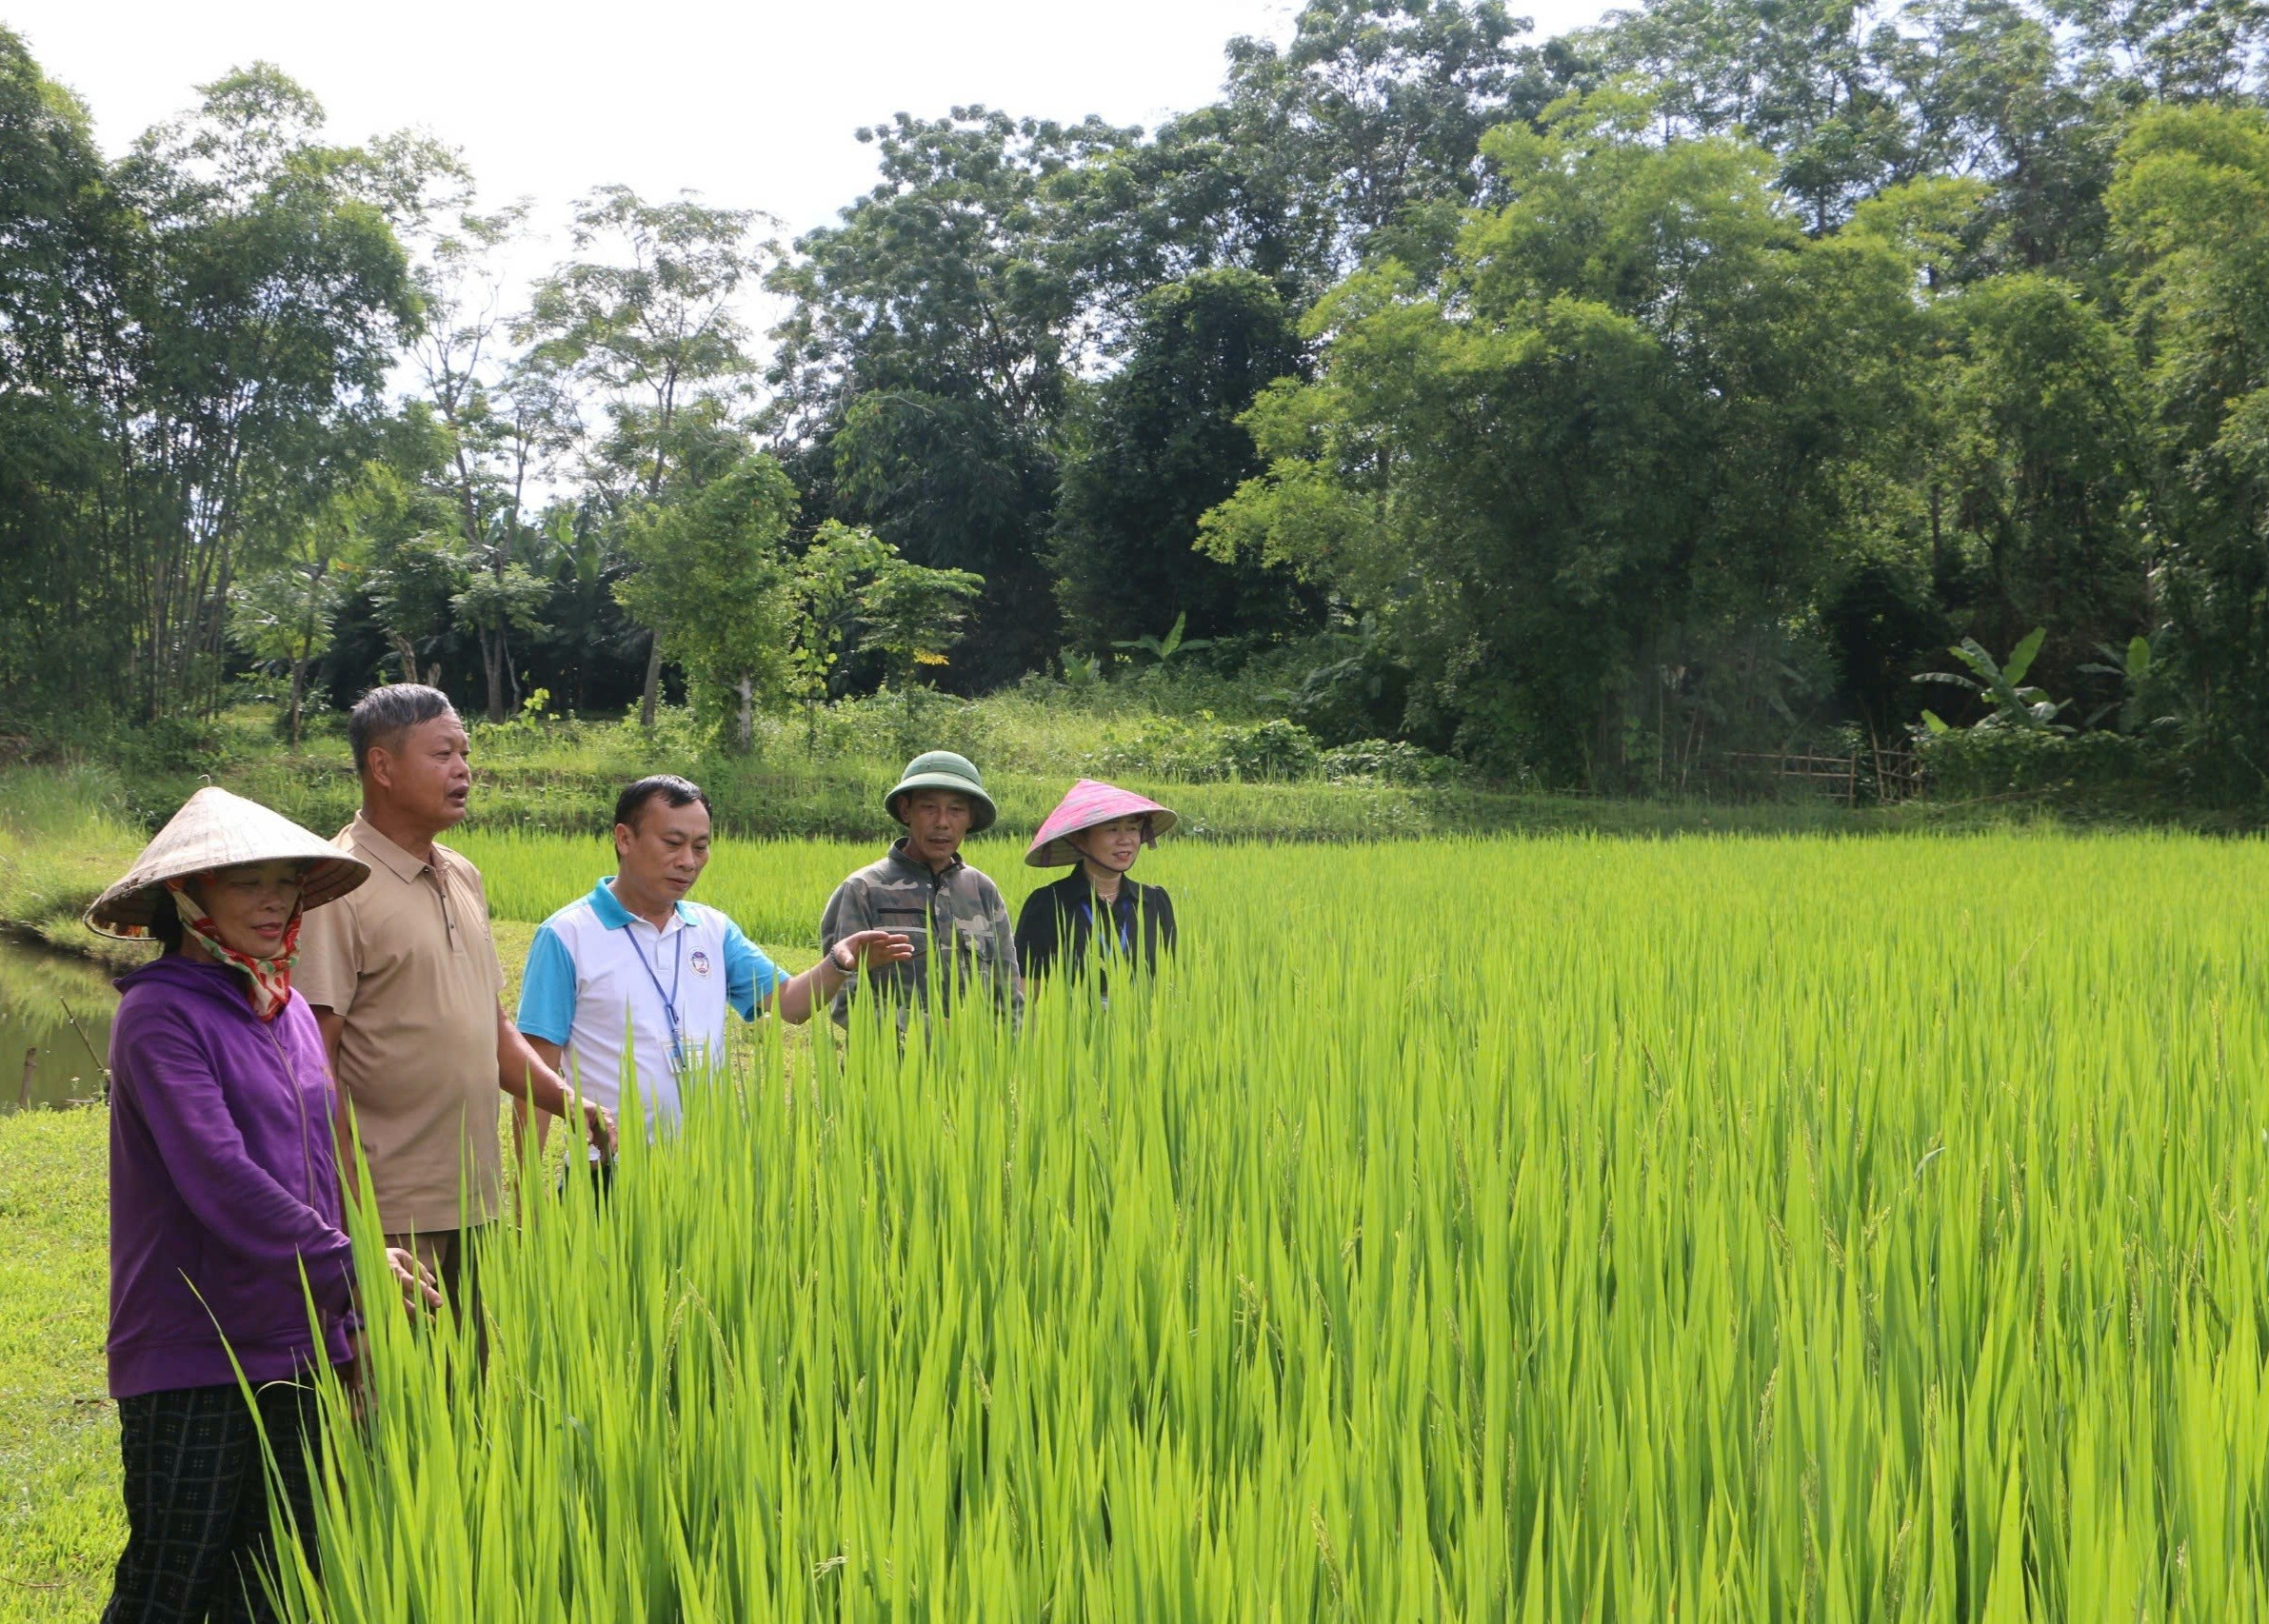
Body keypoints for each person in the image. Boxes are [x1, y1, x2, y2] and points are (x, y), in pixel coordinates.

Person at [86, 787, 440, 1624]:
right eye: (246, 882)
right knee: (173, 1583)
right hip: (195, 1350)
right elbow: (220, 1177)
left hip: (300, 1338)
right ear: (186, 897)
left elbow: (320, 1166)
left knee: (279, 1582)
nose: (275, 898)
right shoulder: (160, 1016)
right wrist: (346, 1259)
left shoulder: (282, 1010)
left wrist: (346, 1308)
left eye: (284, 880)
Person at [295, 684, 614, 1338]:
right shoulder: (336, 887)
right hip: (388, 1208)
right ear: (382, 767)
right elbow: (311, 1063)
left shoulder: (462, 874)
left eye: (465, 753)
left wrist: (565, 1101)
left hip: (475, 1195)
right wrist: (350, 1217)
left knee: (463, 1395)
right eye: (444, 753)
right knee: (388, 1404)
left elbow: (489, 1026)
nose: (465, 770)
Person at [514, 775, 912, 1183]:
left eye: (700, 846)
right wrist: (527, 1185)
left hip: (708, 1169)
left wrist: (839, 963)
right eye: (672, 844)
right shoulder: (567, 935)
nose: (688, 860)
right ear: (624, 839)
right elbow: (535, 1072)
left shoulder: (711, 929)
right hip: (610, 1171)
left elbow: (791, 1004)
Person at [819, 750, 1023, 1033]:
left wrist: (1001, 1058)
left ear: (970, 818)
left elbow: (1008, 995)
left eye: (956, 810)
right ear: (906, 811)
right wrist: (936, 1035)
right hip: (888, 1070)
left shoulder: (982, 891)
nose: (942, 821)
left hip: (974, 1073)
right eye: (929, 808)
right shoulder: (863, 890)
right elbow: (845, 1000)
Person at [1014, 780, 1180, 990]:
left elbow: (1170, 982)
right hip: (1069, 1022)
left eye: (1132, 828)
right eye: (1112, 829)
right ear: (1080, 839)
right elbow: (1027, 994)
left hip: (1142, 1022)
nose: (1125, 839)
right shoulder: (1048, 904)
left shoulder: (1155, 902)